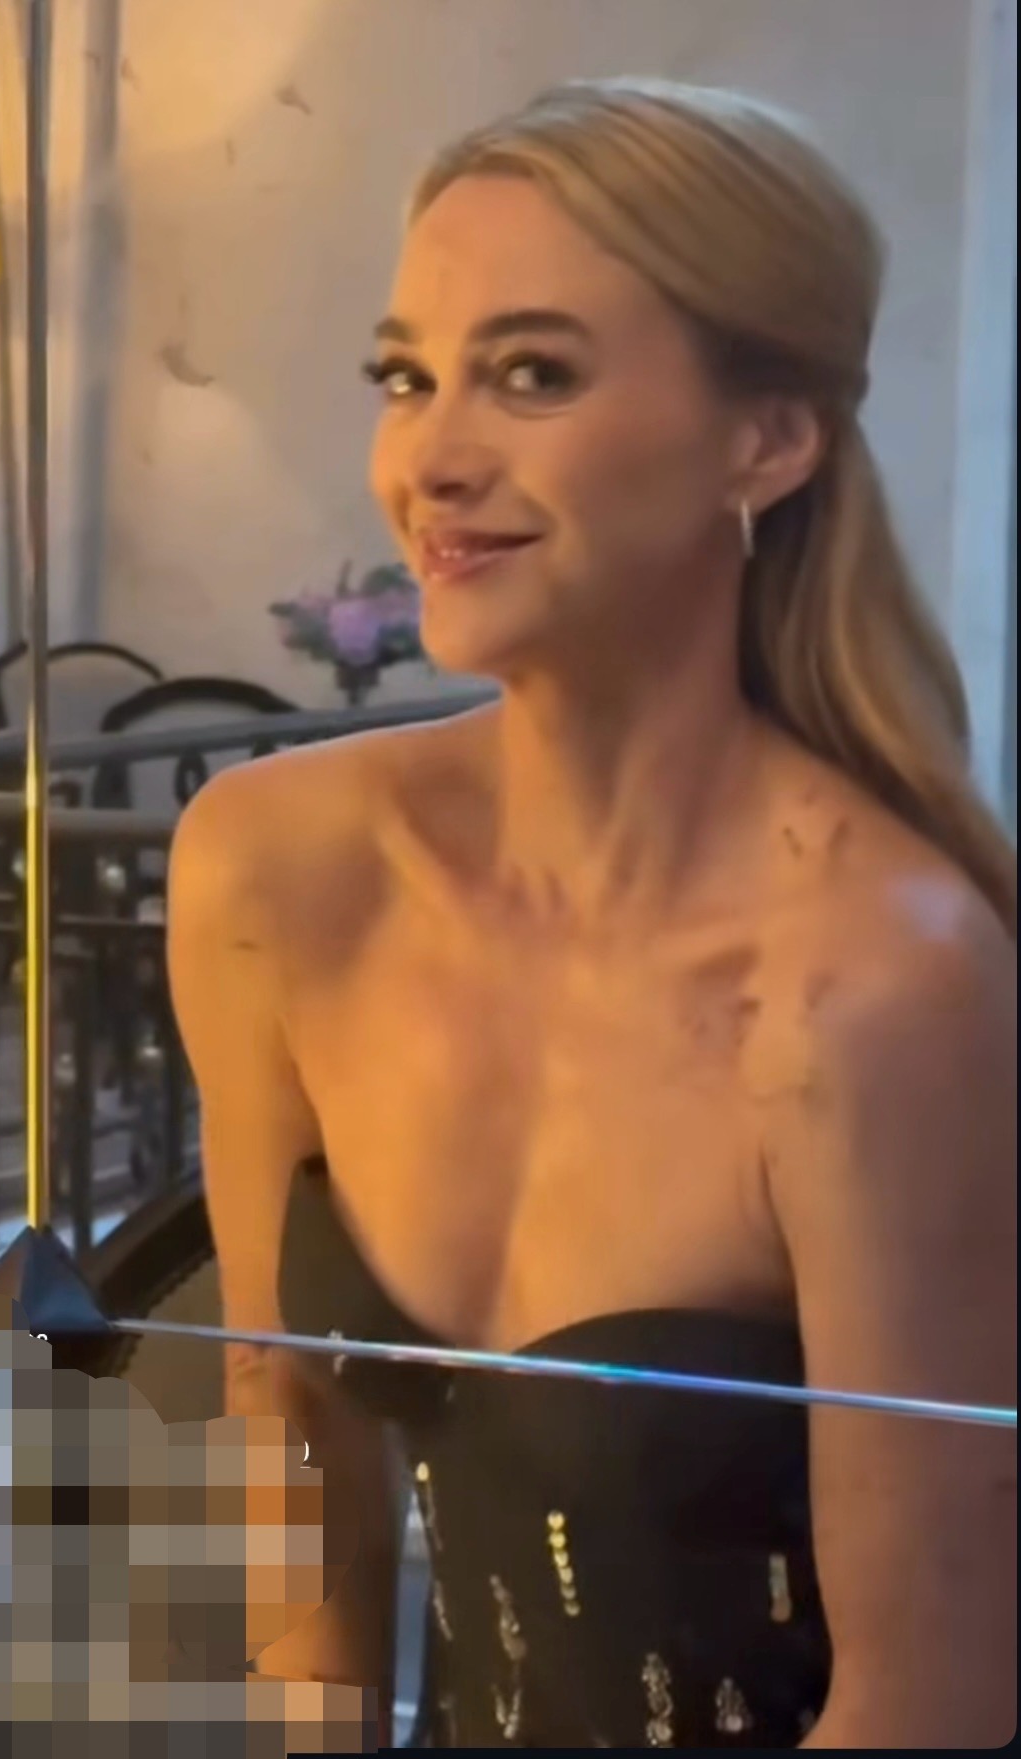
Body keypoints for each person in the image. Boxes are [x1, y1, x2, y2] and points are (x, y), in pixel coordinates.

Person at [167, 78, 1017, 1749]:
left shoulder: (876, 983)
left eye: (533, 376)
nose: (431, 460)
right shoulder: (274, 869)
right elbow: (286, 1427)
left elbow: (932, 1691)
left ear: (764, 441)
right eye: (407, 377)